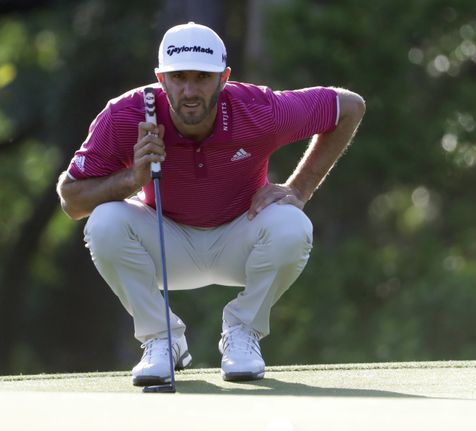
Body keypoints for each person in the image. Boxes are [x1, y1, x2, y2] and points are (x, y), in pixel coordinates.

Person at [55, 22, 365, 386]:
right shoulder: (126, 115)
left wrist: (300, 188)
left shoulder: (258, 109)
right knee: (104, 221)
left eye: (202, 77)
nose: (189, 90)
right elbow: (71, 200)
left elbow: (349, 107)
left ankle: (242, 330)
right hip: (163, 240)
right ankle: (161, 339)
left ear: (224, 78)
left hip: (241, 238)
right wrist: (130, 180)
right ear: (160, 78)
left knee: (293, 225)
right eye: (178, 77)